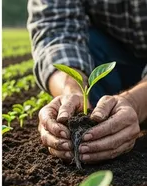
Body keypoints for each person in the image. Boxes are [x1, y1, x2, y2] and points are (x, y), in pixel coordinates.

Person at [29, 0, 147, 164]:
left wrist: (135, 101)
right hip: (109, 56)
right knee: (92, 40)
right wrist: (70, 90)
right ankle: (107, 116)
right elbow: (55, 27)